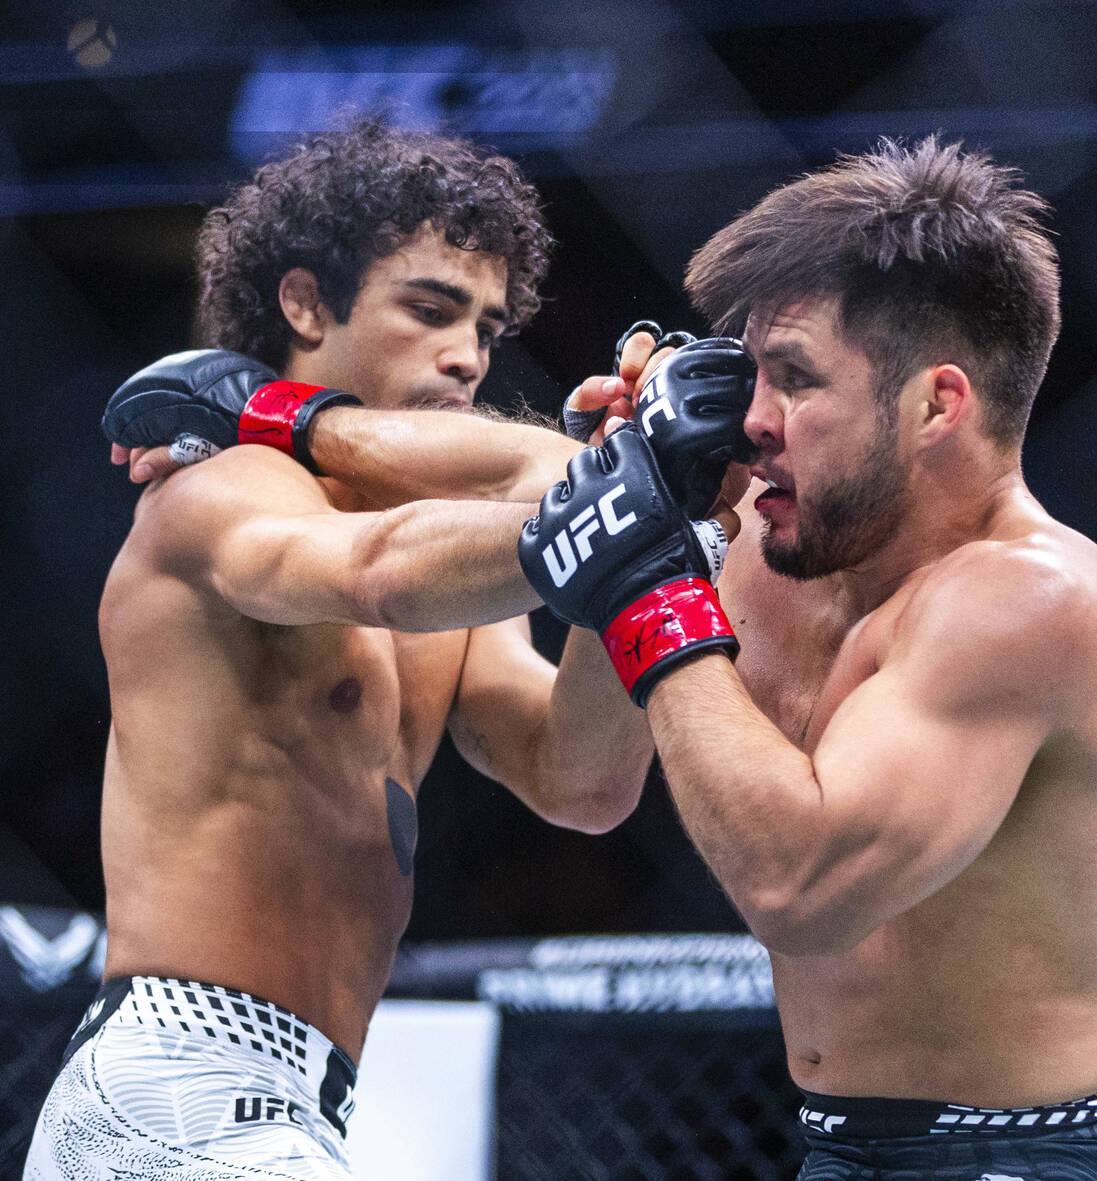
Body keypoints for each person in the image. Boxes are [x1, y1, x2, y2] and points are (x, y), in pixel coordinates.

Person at [23, 119, 752, 1180]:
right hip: (172, 1082)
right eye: (430, 308)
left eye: (490, 328)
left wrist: (656, 536)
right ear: (307, 303)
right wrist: (623, 478)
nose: (467, 354)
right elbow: (380, 570)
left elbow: (581, 777)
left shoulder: (465, 577)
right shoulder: (218, 492)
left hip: (301, 1108)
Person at [528, 137, 1097, 1178]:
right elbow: (584, 781)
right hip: (832, 1147)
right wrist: (647, 516)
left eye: (795, 379)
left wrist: (648, 583)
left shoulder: (1032, 600)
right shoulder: (766, 557)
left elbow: (803, 887)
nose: (754, 420)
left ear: (935, 404)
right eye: (750, 374)